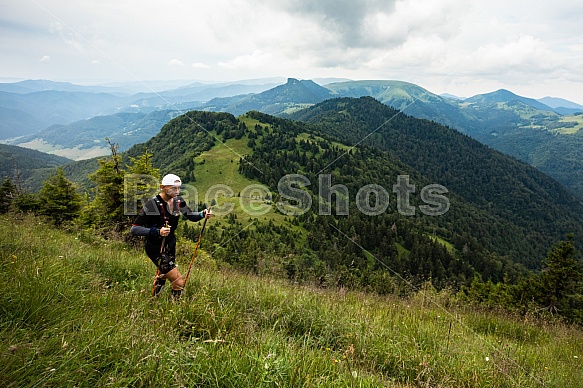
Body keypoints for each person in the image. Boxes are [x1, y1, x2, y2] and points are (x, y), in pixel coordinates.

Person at [130, 174, 212, 299]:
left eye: (179, 188)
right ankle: (175, 307)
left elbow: (191, 215)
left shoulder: (178, 201)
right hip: (155, 247)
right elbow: (135, 229)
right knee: (178, 282)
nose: (177, 191)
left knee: (163, 275)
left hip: (170, 244)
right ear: (162, 187)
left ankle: (154, 300)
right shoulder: (152, 205)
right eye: (173, 188)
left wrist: (202, 214)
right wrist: (157, 231)